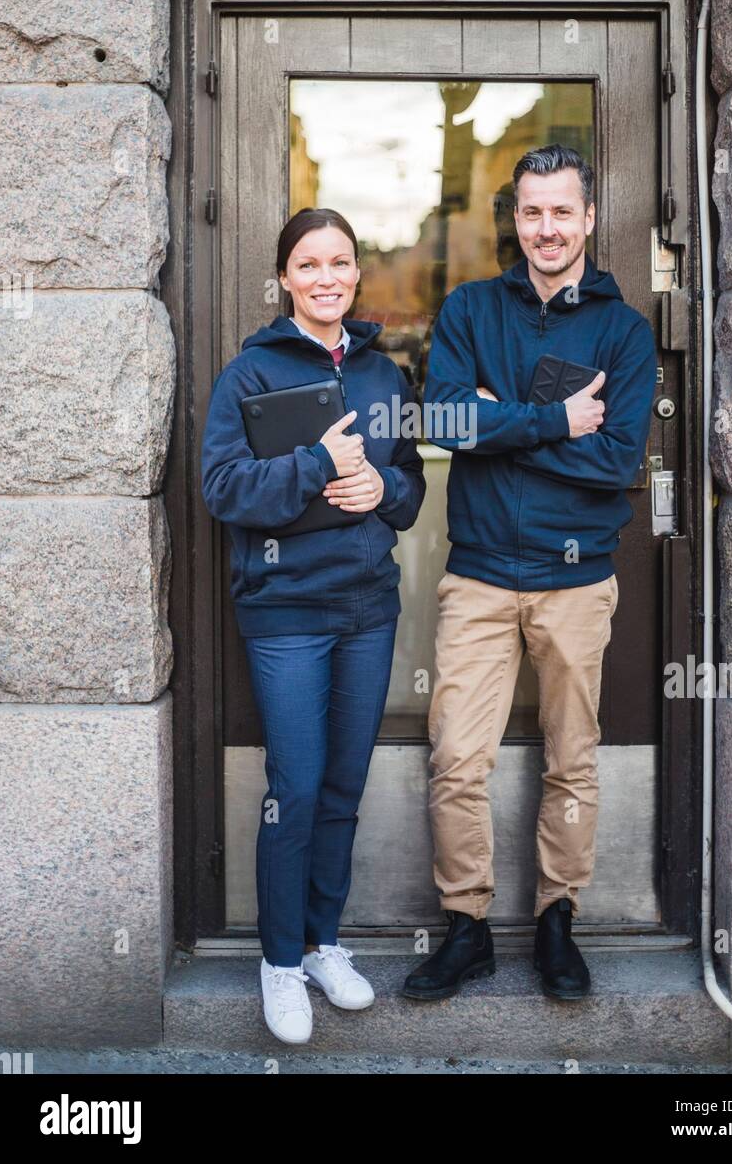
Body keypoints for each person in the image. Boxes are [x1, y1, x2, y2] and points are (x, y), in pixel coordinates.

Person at [403, 144, 657, 1002]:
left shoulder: (622, 331)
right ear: (516, 219)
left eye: (562, 211)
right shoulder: (472, 309)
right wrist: (554, 419)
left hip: (576, 579)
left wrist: (500, 426)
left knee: (570, 760)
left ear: (589, 218)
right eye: (532, 211)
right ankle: (466, 926)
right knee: (456, 759)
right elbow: (442, 420)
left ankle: (558, 920)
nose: (547, 228)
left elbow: (617, 457)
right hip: (478, 575)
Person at [201, 207, 425, 1044]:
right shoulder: (249, 375)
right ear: (286, 278)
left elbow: (410, 485)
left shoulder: (385, 375)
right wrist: (317, 466)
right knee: (293, 790)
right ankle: (279, 963)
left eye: (340, 263)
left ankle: (326, 944)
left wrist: (384, 496)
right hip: (286, 610)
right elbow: (222, 489)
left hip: (367, 606)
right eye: (309, 264)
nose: (326, 277)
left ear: (355, 275)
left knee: (341, 786)